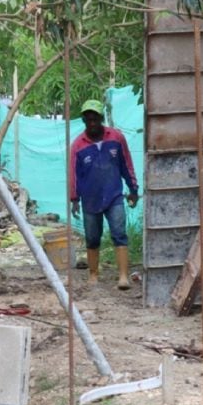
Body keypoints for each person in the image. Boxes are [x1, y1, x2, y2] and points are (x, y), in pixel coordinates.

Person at [68, 99, 139, 289]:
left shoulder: (116, 138)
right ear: (84, 121)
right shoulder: (78, 146)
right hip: (90, 199)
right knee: (92, 237)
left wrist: (133, 189)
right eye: (88, 120)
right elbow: (74, 174)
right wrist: (74, 199)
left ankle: (123, 276)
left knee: (119, 233)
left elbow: (127, 165)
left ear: (101, 119)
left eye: (95, 119)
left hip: (114, 195)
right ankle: (93, 274)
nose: (92, 123)